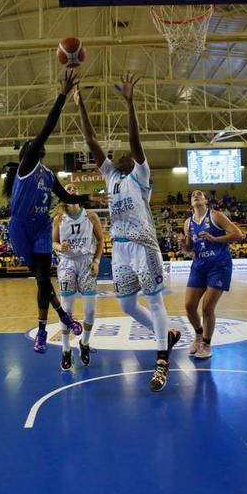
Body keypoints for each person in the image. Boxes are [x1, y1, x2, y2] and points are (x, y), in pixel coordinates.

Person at [75, 73, 180, 392]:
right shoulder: (109, 175)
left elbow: (136, 143)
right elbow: (93, 142)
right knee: (126, 305)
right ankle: (168, 335)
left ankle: (161, 359)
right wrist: (80, 106)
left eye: (129, 154)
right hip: (119, 247)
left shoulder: (140, 175)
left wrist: (130, 103)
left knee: (156, 301)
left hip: (143, 244)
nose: (124, 153)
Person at [2, 69, 104, 354]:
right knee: (41, 279)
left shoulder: (47, 174)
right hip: (20, 227)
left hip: (42, 227)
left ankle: (44, 331)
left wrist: (91, 199)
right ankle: (63, 318)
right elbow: (47, 127)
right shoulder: (26, 167)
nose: (39, 145)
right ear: (29, 153)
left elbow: (64, 196)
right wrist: (61, 96)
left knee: (43, 279)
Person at [178, 190, 243, 360]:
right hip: (199, 265)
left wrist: (214, 239)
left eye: (200, 194)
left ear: (205, 200)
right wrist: (183, 246)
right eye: (192, 195)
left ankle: (206, 344)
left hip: (219, 265)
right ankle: (199, 335)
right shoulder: (188, 222)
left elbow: (238, 234)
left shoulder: (215, 216)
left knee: (207, 308)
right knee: (189, 306)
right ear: (190, 202)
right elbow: (189, 248)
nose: (196, 195)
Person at [52, 183, 104, 369]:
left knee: (90, 310)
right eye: (68, 187)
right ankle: (66, 349)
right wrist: (60, 247)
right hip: (66, 263)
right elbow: (54, 243)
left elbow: (101, 241)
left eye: (74, 186)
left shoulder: (90, 216)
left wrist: (97, 261)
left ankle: (85, 343)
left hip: (86, 262)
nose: (72, 188)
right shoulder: (59, 218)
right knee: (67, 310)